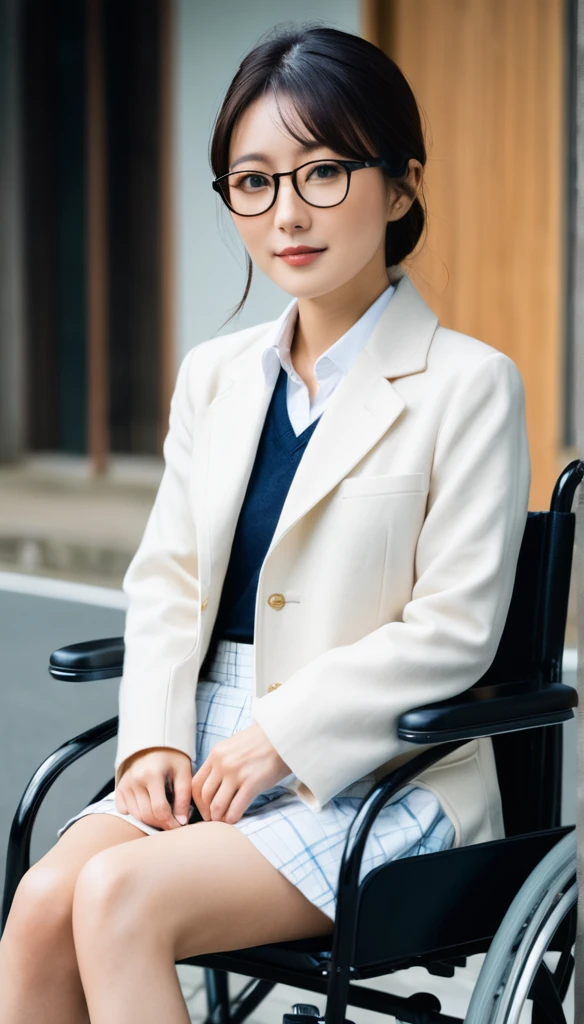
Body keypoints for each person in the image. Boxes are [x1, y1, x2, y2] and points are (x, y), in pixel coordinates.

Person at [0, 23, 531, 1024]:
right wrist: (149, 738)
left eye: (322, 171)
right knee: (39, 907)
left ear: (401, 184)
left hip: (377, 767)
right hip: (201, 746)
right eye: (253, 181)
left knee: (117, 898)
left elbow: (453, 628)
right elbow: (166, 579)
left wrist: (281, 734)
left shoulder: (469, 385)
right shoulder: (216, 375)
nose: (286, 212)